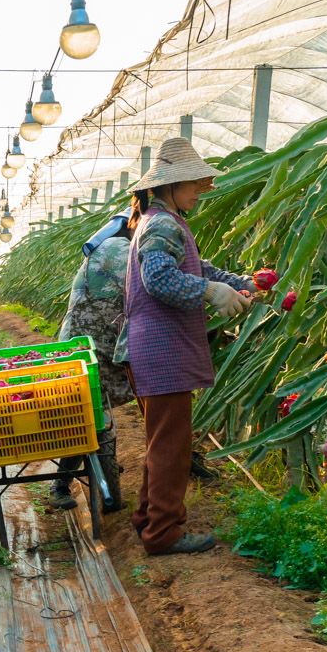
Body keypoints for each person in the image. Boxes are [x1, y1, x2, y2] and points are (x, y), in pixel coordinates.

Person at [120, 136, 256, 555]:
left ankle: (149, 518)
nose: (200, 190)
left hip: (154, 348)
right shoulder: (161, 223)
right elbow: (158, 279)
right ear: (170, 185)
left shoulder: (163, 221)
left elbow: (200, 267)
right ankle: (164, 533)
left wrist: (240, 284)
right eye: (194, 182)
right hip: (161, 349)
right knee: (172, 446)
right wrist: (211, 292)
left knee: (164, 441)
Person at [51, 208, 137, 513]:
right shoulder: (119, 249)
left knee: (88, 413)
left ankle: (77, 478)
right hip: (89, 343)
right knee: (89, 415)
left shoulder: (108, 247)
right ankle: (61, 484)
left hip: (91, 339)